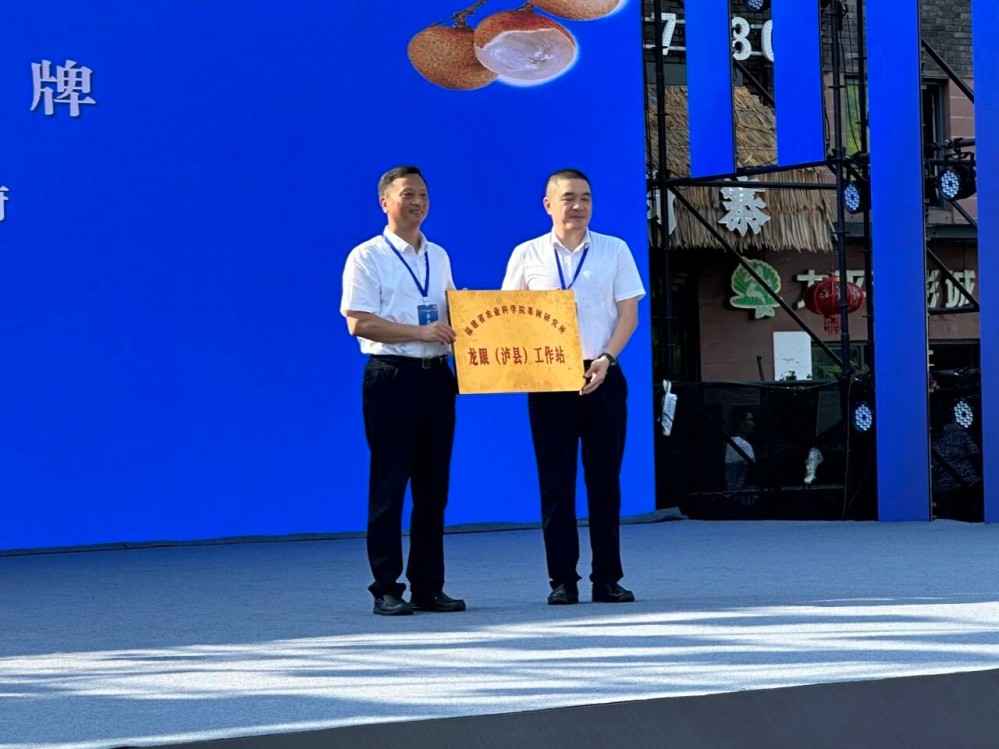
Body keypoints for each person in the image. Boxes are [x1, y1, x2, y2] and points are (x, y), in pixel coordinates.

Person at [501, 168, 646, 605]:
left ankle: (608, 578)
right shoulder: (527, 255)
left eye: (585, 198)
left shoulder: (614, 250)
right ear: (549, 204)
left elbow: (629, 314)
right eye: (568, 198)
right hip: (549, 378)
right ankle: (562, 580)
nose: (578, 206)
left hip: (602, 372)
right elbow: (509, 316)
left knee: (605, 483)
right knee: (556, 484)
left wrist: (607, 359)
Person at [341, 165, 466, 616]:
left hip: (437, 377)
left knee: (434, 488)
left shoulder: (439, 255)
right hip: (391, 377)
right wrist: (420, 332)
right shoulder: (367, 256)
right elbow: (359, 322)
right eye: (408, 194)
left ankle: (428, 585)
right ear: (385, 202)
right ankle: (386, 587)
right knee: (390, 484)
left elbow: (452, 312)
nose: (418, 202)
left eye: (424, 195)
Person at [724, 408, 756, 491]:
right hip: (743, 492)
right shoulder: (743, 445)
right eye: (750, 420)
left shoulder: (729, 444)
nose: (753, 424)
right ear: (740, 422)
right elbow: (751, 472)